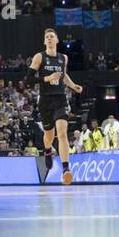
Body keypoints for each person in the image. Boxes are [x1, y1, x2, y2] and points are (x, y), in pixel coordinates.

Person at [30, 29, 83, 185]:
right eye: (47, 37)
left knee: (62, 133)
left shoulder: (63, 58)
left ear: (57, 40)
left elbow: (63, 75)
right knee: (49, 135)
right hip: (45, 100)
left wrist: (73, 86)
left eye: (52, 36)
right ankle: (47, 151)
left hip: (60, 99)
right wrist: (47, 78)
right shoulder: (39, 57)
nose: (50, 39)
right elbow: (28, 79)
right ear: (44, 42)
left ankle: (66, 169)